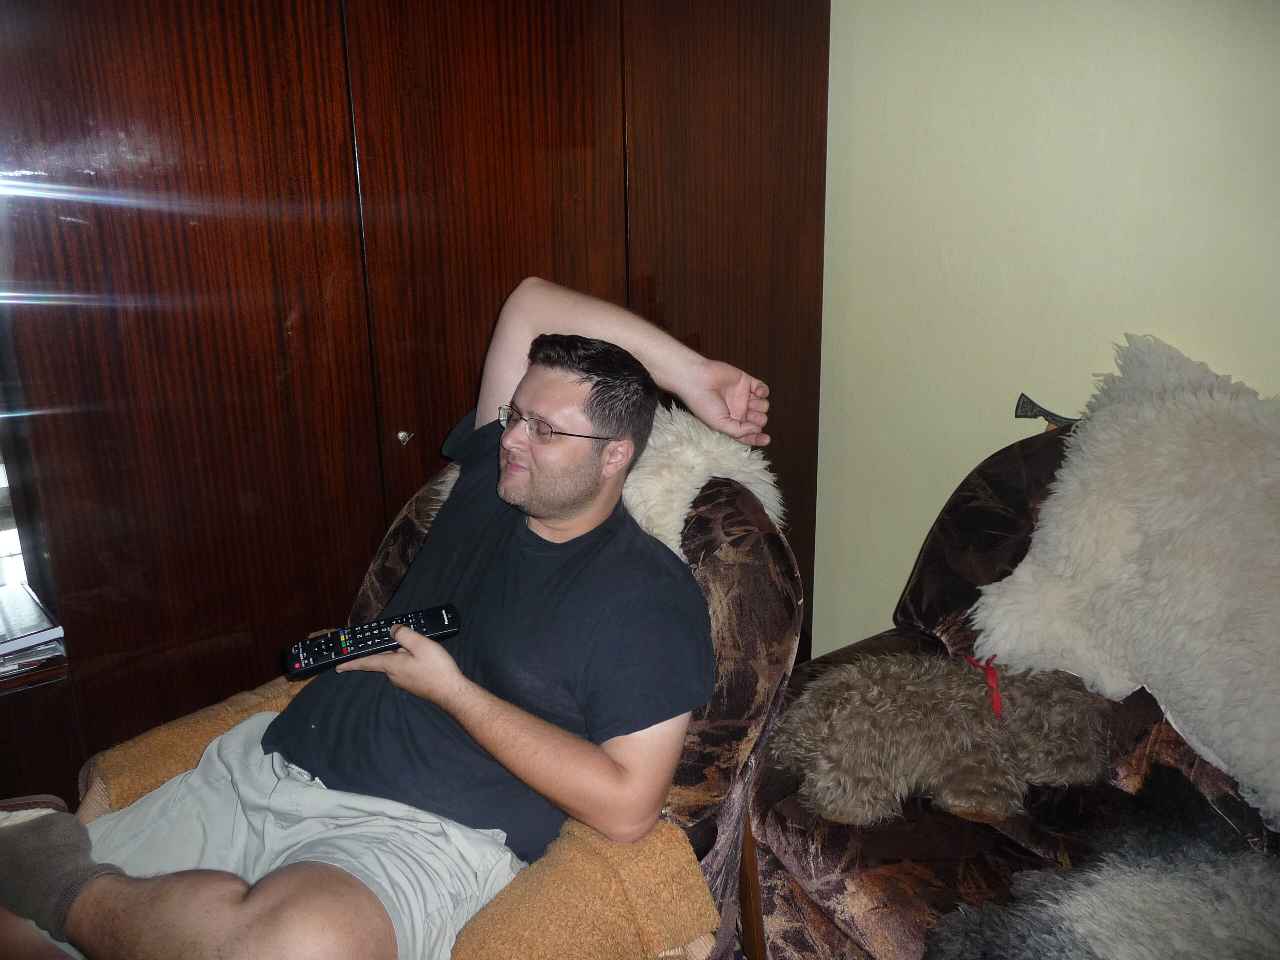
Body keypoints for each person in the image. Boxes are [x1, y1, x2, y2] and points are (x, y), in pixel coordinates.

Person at [0, 277, 771, 960]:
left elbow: (628, 809)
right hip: (272, 769)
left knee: (297, 948)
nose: (512, 439)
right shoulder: (491, 483)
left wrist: (453, 692)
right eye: (515, 415)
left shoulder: (647, 599)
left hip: (417, 837)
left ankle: (65, 885)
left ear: (615, 456)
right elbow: (531, 302)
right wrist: (693, 374)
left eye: (546, 430)